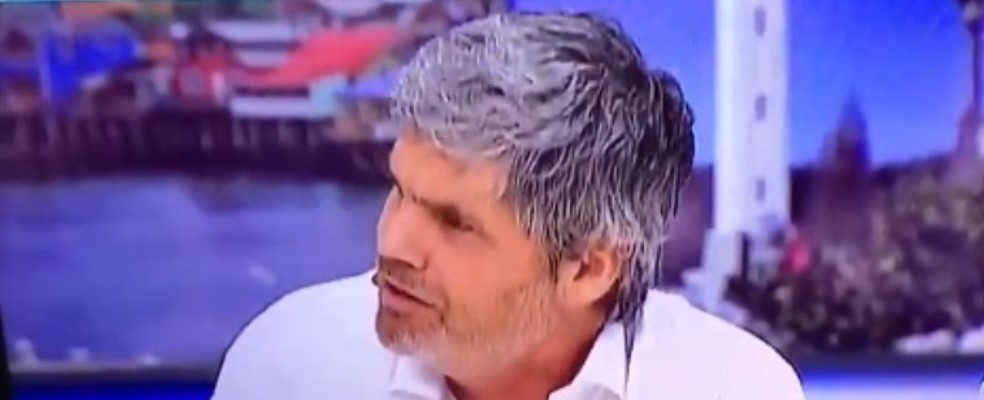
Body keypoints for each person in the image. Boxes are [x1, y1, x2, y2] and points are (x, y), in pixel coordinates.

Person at [213, 12, 805, 400]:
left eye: (455, 222)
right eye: (399, 189)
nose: (392, 244)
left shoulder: (733, 387)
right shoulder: (289, 364)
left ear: (588, 268)